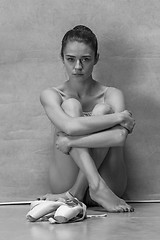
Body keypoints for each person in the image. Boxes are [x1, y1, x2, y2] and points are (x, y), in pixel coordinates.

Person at [39, 25, 135, 212]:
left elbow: (119, 138)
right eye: (71, 59)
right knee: (71, 106)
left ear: (96, 59)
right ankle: (94, 185)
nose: (78, 67)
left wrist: (69, 141)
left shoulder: (112, 94)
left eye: (85, 60)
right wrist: (119, 117)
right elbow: (70, 126)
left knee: (102, 110)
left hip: (111, 184)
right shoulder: (51, 94)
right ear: (62, 58)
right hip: (64, 181)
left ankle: (82, 191)